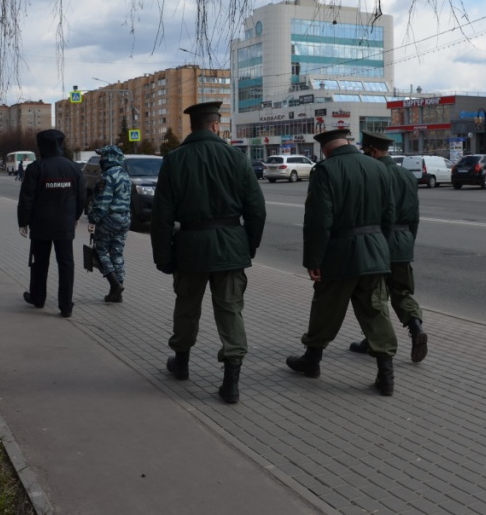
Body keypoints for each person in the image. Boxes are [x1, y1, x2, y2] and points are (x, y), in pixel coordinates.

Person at [151, 101, 266, 404]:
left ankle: (182, 364)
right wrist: (249, 246)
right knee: (230, 310)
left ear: (193, 126)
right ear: (216, 125)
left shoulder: (174, 160)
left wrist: (163, 256)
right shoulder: (236, 158)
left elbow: (161, 215)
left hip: (190, 246)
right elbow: (256, 209)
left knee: (187, 307)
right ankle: (231, 382)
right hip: (230, 246)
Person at [286, 128, 399, 396]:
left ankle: (311, 361)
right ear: (348, 142)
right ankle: (386, 375)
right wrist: (378, 245)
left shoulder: (325, 170)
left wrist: (313, 259)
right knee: (376, 310)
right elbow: (389, 214)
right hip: (374, 252)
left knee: (326, 308)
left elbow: (318, 221)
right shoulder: (378, 167)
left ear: (325, 149)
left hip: (338, 255)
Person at [349, 131, 427, 363]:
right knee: (402, 292)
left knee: (374, 296)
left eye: (366, 152)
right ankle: (416, 328)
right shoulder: (406, 175)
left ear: (372, 151)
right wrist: (408, 242)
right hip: (403, 240)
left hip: (378, 240)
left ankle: (374, 340)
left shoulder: (372, 173)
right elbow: (414, 215)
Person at [17, 129, 86, 317]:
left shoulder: (36, 168)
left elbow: (27, 199)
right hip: (65, 224)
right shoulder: (73, 168)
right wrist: (75, 217)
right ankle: (66, 306)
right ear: (60, 144)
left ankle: (38, 298)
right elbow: (81, 197)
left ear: (41, 146)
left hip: (40, 224)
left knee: (40, 262)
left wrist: (23, 222)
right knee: (66, 264)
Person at [87, 145, 132, 303]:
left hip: (109, 219)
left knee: (101, 251)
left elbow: (102, 204)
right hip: (124, 219)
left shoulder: (107, 177)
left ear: (109, 158)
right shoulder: (125, 175)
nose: (100, 159)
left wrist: (93, 219)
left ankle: (114, 285)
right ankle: (117, 292)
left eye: (102, 156)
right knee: (117, 253)